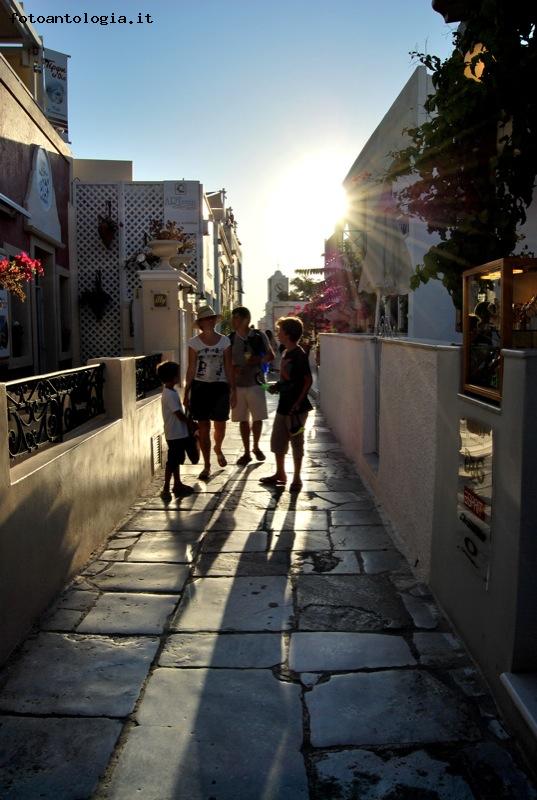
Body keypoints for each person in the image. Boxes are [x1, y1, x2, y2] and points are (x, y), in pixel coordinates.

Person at [260, 316, 313, 491]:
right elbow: (288, 379)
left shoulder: (299, 354)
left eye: (280, 331)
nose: (277, 333)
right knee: (278, 441)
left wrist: (297, 403)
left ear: (288, 334)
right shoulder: (286, 352)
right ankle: (280, 473)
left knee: (296, 442)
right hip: (284, 404)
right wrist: (276, 387)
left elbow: (307, 381)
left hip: (296, 408)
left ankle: (297, 477)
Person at [184, 305, 236, 480]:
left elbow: (229, 366)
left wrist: (233, 389)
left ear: (214, 320)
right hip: (200, 387)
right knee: (204, 427)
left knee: (220, 424)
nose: (209, 321)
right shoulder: (194, 343)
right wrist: (186, 391)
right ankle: (206, 465)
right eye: (206, 319)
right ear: (200, 323)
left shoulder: (225, 342)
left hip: (220, 387)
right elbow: (191, 368)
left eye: (211, 318)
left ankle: (218, 447)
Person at [230, 307, 274, 465]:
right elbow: (227, 362)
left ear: (245, 319)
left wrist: (257, 360)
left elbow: (271, 355)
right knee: (242, 420)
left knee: (258, 418)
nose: (233, 321)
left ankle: (255, 447)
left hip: (257, 382)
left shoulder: (258, 336)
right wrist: (233, 370)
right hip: (238, 385)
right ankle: (247, 451)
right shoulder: (230, 338)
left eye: (235, 318)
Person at [156, 360, 194, 501]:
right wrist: (190, 423)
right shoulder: (169, 394)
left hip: (177, 432)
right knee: (172, 462)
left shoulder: (172, 391)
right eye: (178, 374)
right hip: (175, 433)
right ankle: (166, 487)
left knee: (176, 460)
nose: (180, 376)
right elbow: (178, 414)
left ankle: (177, 484)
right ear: (173, 377)